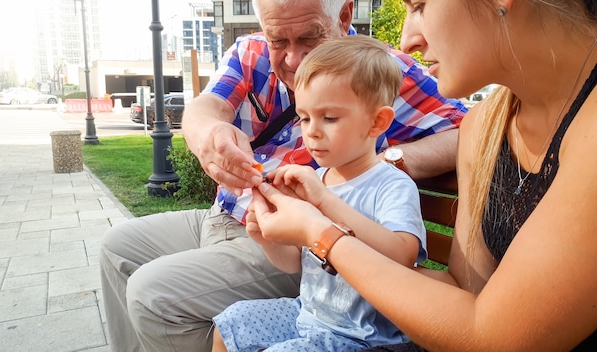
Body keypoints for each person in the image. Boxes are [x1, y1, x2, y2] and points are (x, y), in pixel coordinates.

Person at [99, 0, 466, 351]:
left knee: (153, 295)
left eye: (309, 36)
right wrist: (210, 135)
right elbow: (206, 107)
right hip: (253, 232)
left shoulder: (376, 70)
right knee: (116, 247)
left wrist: (390, 161)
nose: (292, 58)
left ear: (344, 16)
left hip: (349, 313)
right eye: (278, 40)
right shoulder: (252, 55)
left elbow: (475, 129)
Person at [247, 0, 597, 351]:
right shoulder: (483, 128)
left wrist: (320, 231)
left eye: (419, 5)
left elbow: (491, 338)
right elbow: (464, 291)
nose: (406, 41)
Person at [211, 35, 426, 352]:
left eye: (329, 118)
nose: (311, 131)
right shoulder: (319, 178)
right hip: (310, 314)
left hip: (366, 335)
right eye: (305, 116)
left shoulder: (390, 184)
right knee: (231, 323)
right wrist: (266, 236)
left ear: (377, 122)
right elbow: (295, 263)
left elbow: (402, 256)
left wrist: (325, 203)